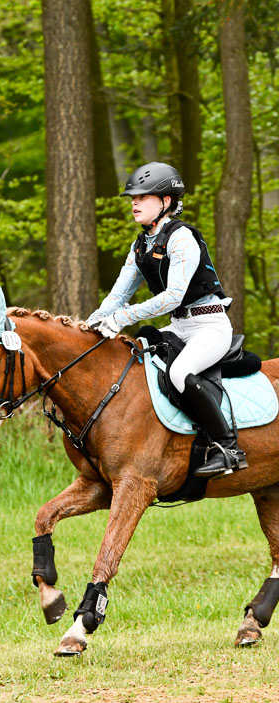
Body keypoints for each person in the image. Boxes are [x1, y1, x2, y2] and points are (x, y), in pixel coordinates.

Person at [87, 161, 247, 478]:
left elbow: (173, 296)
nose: (134, 202)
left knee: (180, 373)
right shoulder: (141, 245)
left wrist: (122, 317)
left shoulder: (181, 237)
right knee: (135, 362)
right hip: (179, 327)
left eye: (143, 197)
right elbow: (116, 297)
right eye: (133, 197)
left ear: (166, 202)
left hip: (209, 326)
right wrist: (87, 326)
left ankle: (229, 448)